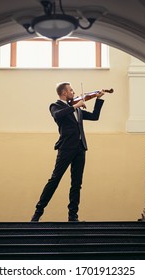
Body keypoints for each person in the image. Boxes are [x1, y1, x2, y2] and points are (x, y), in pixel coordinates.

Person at [31, 82, 105, 222]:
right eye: (71, 90)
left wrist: (99, 99)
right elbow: (58, 115)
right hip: (66, 148)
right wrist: (75, 106)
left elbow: (95, 116)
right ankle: (38, 213)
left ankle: (73, 216)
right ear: (64, 93)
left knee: (76, 183)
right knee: (55, 179)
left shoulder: (76, 110)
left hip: (80, 148)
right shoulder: (55, 106)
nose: (74, 92)